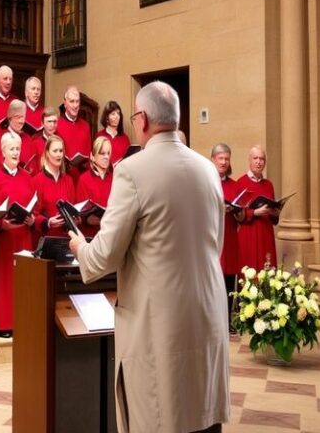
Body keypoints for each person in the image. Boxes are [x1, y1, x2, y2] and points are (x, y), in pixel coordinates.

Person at [68, 81, 229, 433]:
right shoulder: (207, 170)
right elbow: (215, 245)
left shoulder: (132, 171)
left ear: (141, 120)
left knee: (161, 417)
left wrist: (80, 247)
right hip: (207, 317)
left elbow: (103, 257)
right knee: (202, 418)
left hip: (160, 325)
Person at [0, 132, 35, 337]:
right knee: (5, 281)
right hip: (5, 238)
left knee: (24, 281)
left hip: (24, 236)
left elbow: (36, 205)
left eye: (18, 148)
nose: (16, 152)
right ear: (3, 152)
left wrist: (32, 220)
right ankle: (3, 324)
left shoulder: (27, 177)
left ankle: (23, 322)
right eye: (12, 149)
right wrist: (0, 223)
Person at [211, 143, 244, 331]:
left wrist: (237, 212)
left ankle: (229, 320)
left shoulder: (234, 185)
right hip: (213, 236)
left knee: (230, 279)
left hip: (230, 235)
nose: (224, 162)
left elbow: (241, 215)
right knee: (215, 279)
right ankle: (215, 321)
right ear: (213, 160)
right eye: (220, 158)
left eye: (226, 158)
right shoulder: (207, 181)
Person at [236, 146, 279, 271]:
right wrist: (255, 212)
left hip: (266, 233)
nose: (258, 162)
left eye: (262, 159)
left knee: (267, 271)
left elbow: (273, 213)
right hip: (249, 234)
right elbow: (237, 213)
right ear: (249, 161)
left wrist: (275, 212)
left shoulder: (268, 185)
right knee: (249, 272)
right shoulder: (241, 183)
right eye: (255, 158)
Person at [32, 135, 75, 237]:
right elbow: (33, 215)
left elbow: (73, 207)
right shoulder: (37, 180)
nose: (59, 154)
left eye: (61, 151)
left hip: (66, 238)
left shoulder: (68, 180)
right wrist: (48, 222)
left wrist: (74, 218)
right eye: (55, 151)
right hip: (46, 238)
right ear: (47, 153)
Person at [76, 136, 114, 239]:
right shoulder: (84, 179)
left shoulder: (115, 178)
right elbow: (83, 216)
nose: (106, 157)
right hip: (90, 237)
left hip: (111, 236)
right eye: (102, 153)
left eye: (108, 153)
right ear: (92, 156)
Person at [56, 86, 92, 176]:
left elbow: (89, 152)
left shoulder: (85, 125)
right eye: (72, 101)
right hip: (64, 176)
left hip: (83, 176)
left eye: (77, 101)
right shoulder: (57, 124)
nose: (75, 105)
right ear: (65, 103)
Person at [97, 100, 131, 165]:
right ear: (107, 117)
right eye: (113, 114)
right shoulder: (99, 136)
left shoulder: (125, 139)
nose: (117, 116)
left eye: (118, 113)